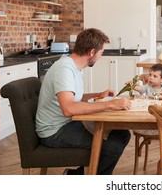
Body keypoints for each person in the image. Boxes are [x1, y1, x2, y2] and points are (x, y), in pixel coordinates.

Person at [35, 28, 132, 175]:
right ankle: (76, 177)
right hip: (55, 131)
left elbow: (75, 98)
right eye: (101, 53)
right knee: (113, 148)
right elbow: (69, 108)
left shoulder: (74, 67)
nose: (100, 57)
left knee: (123, 134)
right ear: (92, 52)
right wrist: (110, 104)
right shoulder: (65, 69)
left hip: (68, 123)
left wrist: (99, 95)